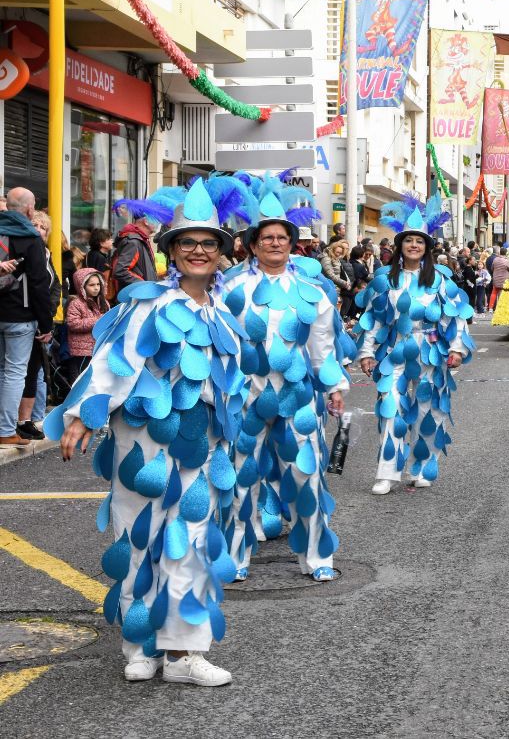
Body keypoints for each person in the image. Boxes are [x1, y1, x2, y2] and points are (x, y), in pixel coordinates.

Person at [46, 178, 251, 686]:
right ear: (171, 251)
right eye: (188, 243)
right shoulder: (145, 305)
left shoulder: (224, 313)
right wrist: (82, 415)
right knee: (138, 540)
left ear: (221, 252)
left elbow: (231, 383)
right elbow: (110, 366)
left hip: (199, 445)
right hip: (141, 442)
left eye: (208, 244)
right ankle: (140, 645)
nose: (199, 252)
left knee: (191, 542)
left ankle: (183, 656)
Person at [221, 179, 351, 582]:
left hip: (296, 398)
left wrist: (334, 389)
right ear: (253, 244)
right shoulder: (229, 289)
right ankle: (235, 558)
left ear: (292, 244)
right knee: (241, 480)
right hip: (246, 397)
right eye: (267, 238)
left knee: (306, 477)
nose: (275, 243)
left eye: (282, 237)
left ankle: (316, 558)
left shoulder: (312, 293)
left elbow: (322, 349)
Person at [355, 195, 475, 495]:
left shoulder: (440, 280)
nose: (413, 246)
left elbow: (456, 317)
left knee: (427, 410)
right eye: (408, 240)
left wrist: (457, 348)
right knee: (389, 408)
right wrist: (368, 352)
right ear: (400, 246)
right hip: (394, 350)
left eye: (419, 242)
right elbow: (375, 318)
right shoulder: (385, 280)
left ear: (426, 248)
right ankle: (387, 473)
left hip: (430, 349)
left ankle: (422, 467)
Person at [0, 187, 54, 447]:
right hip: (20, 316)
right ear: (30, 209)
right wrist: (46, 324)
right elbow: (38, 284)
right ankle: (6, 429)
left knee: (2, 370)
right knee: (14, 372)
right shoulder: (30, 237)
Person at [16, 211, 61, 441]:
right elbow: (33, 287)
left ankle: (26, 421)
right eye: (34, 224)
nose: (38, 229)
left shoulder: (46, 254)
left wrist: (48, 318)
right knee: (17, 372)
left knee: (34, 372)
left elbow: (53, 287)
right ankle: (15, 421)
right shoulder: (23, 249)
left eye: (42, 227)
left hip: (41, 322)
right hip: (24, 320)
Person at [63, 267, 108, 383]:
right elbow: (72, 323)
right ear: (82, 286)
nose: (96, 288)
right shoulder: (76, 304)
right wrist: (97, 321)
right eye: (92, 285)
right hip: (81, 351)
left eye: (98, 284)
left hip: (98, 348)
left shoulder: (103, 302)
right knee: (83, 380)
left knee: (96, 380)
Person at [109, 201, 160, 295]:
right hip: (137, 297)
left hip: (142, 295)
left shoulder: (139, 240)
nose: (158, 222)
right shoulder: (133, 242)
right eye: (155, 218)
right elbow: (121, 271)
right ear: (146, 221)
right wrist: (144, 285)